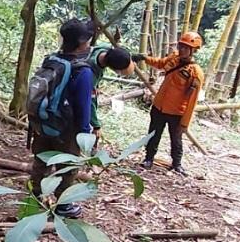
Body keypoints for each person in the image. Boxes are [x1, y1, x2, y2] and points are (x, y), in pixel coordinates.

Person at [28, 18, 97, 220]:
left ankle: (34, 196)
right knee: (68, 166)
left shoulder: (52, 60)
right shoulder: (82, 71)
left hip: (44, 121)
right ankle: (63, 204)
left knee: (40, 160)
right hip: (67, 128)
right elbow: (83, 106)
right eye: (87, 40)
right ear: (81, 43)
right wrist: (85, 132)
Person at [136, 32, 205, 176]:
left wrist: (185, 124)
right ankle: (148, 159)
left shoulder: (195, 73)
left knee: (176, 139)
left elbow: (192, 101)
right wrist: (144, 58)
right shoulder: (173, 58)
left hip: (177, 112)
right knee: (153, 134)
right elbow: (160, 63)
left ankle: (177, 164)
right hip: (159, 106)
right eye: (181, 46)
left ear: (194, 50)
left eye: (186, 48)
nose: (182, 50)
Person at [87, 45, 136, 137]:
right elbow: (88, 102)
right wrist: (96, 125)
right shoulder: (89, 73)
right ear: (114, 69)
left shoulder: (103, 49)